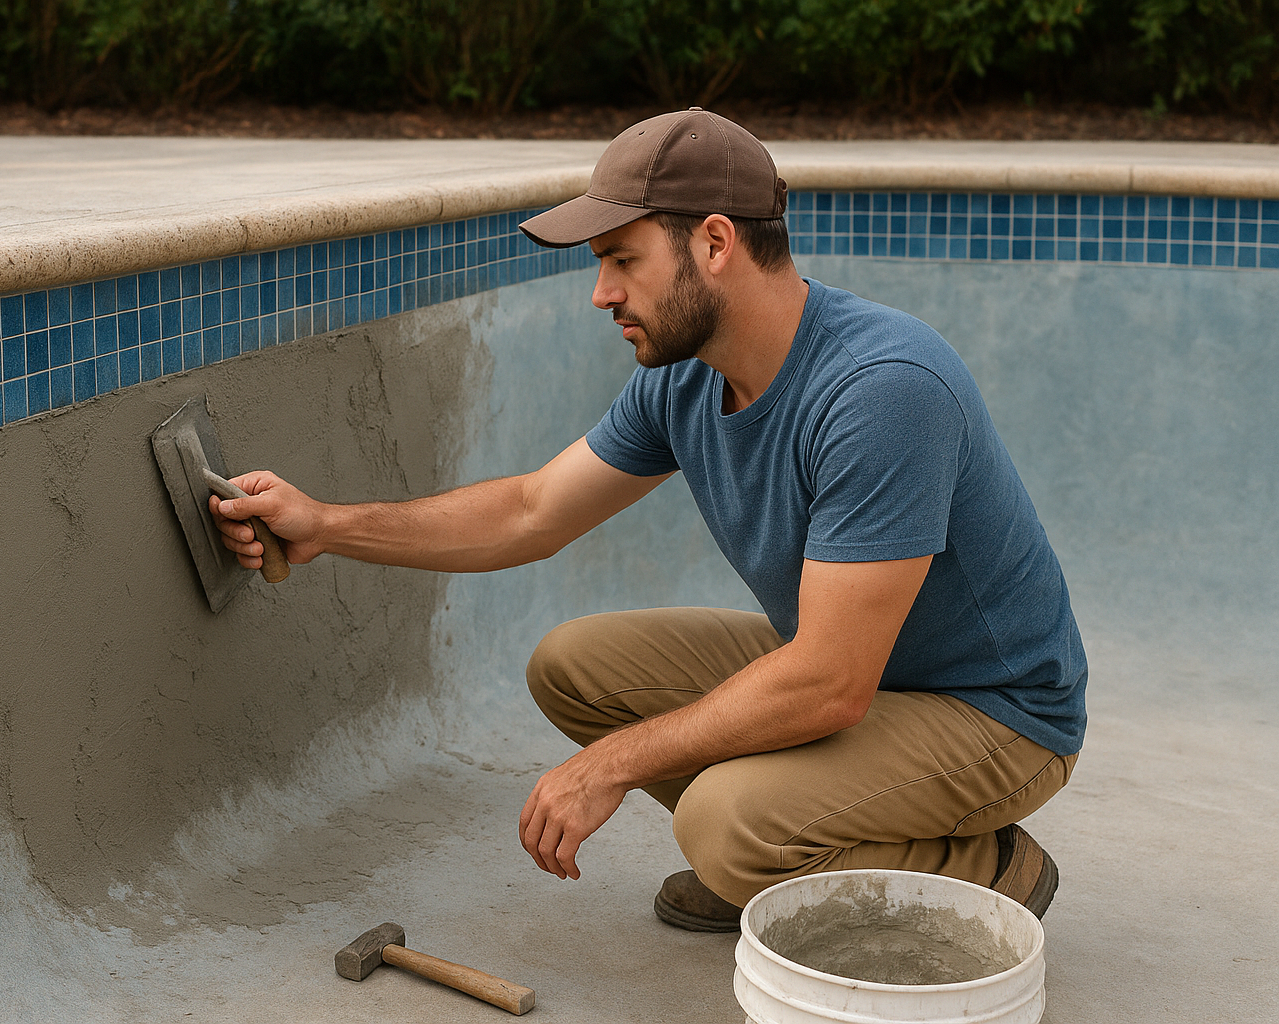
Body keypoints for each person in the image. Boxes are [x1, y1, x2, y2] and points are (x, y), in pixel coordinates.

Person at [209, 108, 1087, 931]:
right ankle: (806, 851)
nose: (601, 293)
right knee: (576, 669)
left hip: (993, 716)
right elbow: (530, 512)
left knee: (725, 827)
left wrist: (610, 765)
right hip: (862, 673)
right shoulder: (686, 375)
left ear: (713, 243)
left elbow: (829, 683)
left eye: (622, 259)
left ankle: (978, 863)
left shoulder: (882, 389)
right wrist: (326, 523)